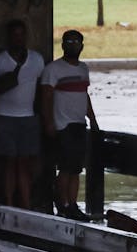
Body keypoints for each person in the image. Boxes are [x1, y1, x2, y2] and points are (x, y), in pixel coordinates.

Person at [0, 19, 46, 209]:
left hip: (28, 118)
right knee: (10, 163)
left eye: (21, 34)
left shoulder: (37, 59)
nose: (19, 38)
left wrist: (41, 114)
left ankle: (25, 204)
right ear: (9, 37)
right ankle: (10, 203)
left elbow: (42, 89)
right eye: (15, 35)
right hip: (4, 119)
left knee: (25, 164)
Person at [39, 29, 100, 221]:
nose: (73, 45)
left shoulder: (83, 69)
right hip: (62, 125)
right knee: (65, 168)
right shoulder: (53, 69)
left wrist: (92, 118)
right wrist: (49, 122)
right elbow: (46, 97)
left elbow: (84, 95)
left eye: (77, 42)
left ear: (82, 46)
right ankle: (63, 205)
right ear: (63, 45)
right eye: (69, 42)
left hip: (79, 124)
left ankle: (73, 204)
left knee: (76, 169)